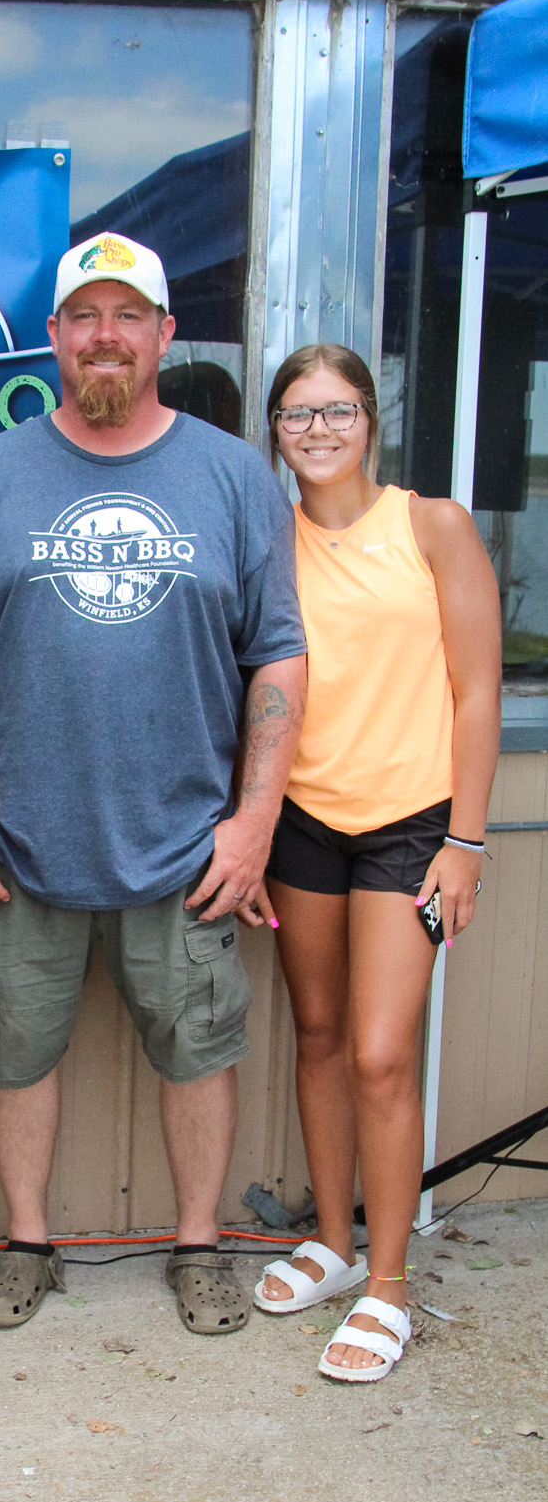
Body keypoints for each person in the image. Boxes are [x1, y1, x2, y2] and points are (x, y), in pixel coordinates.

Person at [0, 231, 308, 1338]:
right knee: (14, 1045)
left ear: (165, 334)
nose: (106, 336)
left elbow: (276, 652)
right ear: (54, 338)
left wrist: (256, 820)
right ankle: (28, 1239)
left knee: (199, 1048)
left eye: (130, 315)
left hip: (187, 842)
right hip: (17, 840)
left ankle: (197, 1243)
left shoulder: (232, 475)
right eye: (85, 315)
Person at [253, 344, 501, 1382]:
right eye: (298, 413)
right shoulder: (268, 539)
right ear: (275, 430)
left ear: (371, 420)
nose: (318, 429)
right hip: (305, 820)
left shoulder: (431, 523)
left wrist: (468, 841)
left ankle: (390, 1282)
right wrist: (253, 825)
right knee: (315, 1033)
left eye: (337, 409)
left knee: (381, 1053)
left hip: (412, 825)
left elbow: (480, 691)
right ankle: (335, 1243)